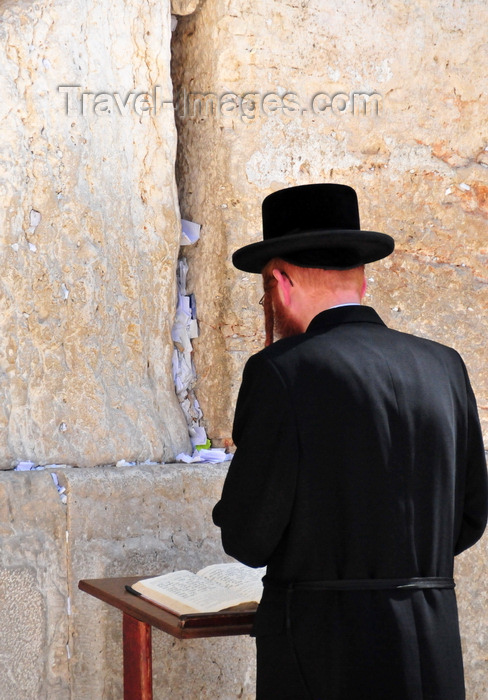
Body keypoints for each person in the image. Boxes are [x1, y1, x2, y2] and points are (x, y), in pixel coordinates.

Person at [212, 183, 488, 700]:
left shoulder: (280, 372)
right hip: (432, 650)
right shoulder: (444, 365)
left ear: (280, 280)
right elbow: (470, 516)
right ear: (361, 278)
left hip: (323, 657)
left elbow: (249, 538)